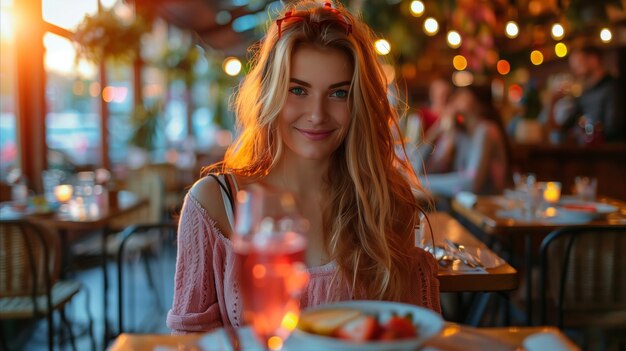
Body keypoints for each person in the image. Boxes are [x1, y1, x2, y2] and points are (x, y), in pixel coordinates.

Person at [166, 0, 441, 334]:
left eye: (339, 94)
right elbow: (190, 343)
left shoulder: (384, 201)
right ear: (270, 94)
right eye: (298, 89)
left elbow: (411, 334)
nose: (317, 114)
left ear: (360, 104)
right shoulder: (214, 203)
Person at [415, 85, 510, 197]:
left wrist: (421, 182)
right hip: (462, 207)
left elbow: (471, 183)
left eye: (462, 94)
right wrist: (437, 130)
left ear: (476, 101)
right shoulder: (461, 133)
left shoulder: (487, 130)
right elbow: (421, 168)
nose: (454, 99)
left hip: (483, 209)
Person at [546, 45, 624, 143]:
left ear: (593, 60)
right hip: (591, 152)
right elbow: (561, 128)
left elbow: (614, 131)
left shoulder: (614, 87)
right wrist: (553, 100)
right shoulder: (586, 93)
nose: (574, 69)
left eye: (578, 64)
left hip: (610, 154)